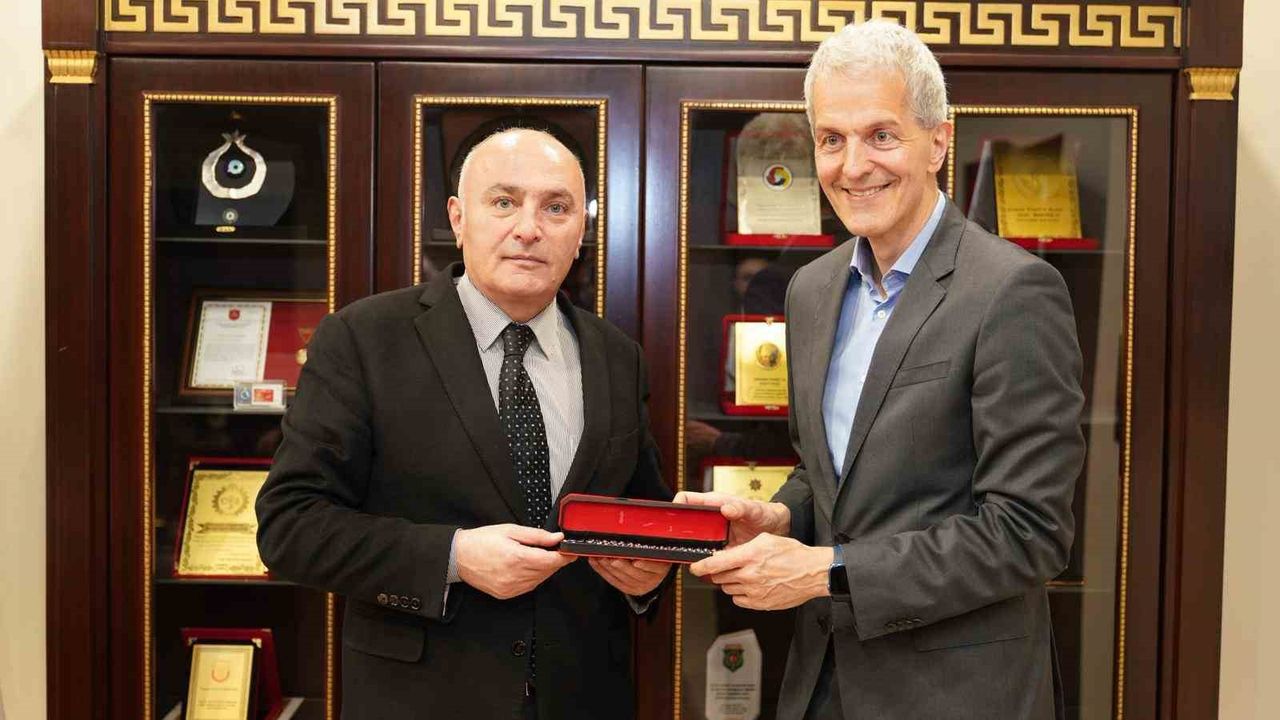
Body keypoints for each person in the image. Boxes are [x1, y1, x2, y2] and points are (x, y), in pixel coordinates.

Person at [680, 20, 1085, 720]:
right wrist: (781, 515)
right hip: (821, 682)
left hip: (957, 697)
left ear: (939, 141)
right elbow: (832, 473)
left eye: (881, 135)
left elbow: (1029, 531)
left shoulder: (1013, 290)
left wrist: (828, 571)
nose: (853, 165)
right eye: (832, 139)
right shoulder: (810, 289)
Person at [256, 128, 672, 720]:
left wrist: (648, 578)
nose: (529, 228)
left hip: (583, 696)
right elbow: (290, 525)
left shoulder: (616, 356)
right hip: (419, 699)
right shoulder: (363, 340)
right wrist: (452, 557)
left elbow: (642, 517)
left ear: (581, 230)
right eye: (504, 202)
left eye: (556, 208)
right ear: (458, 218)